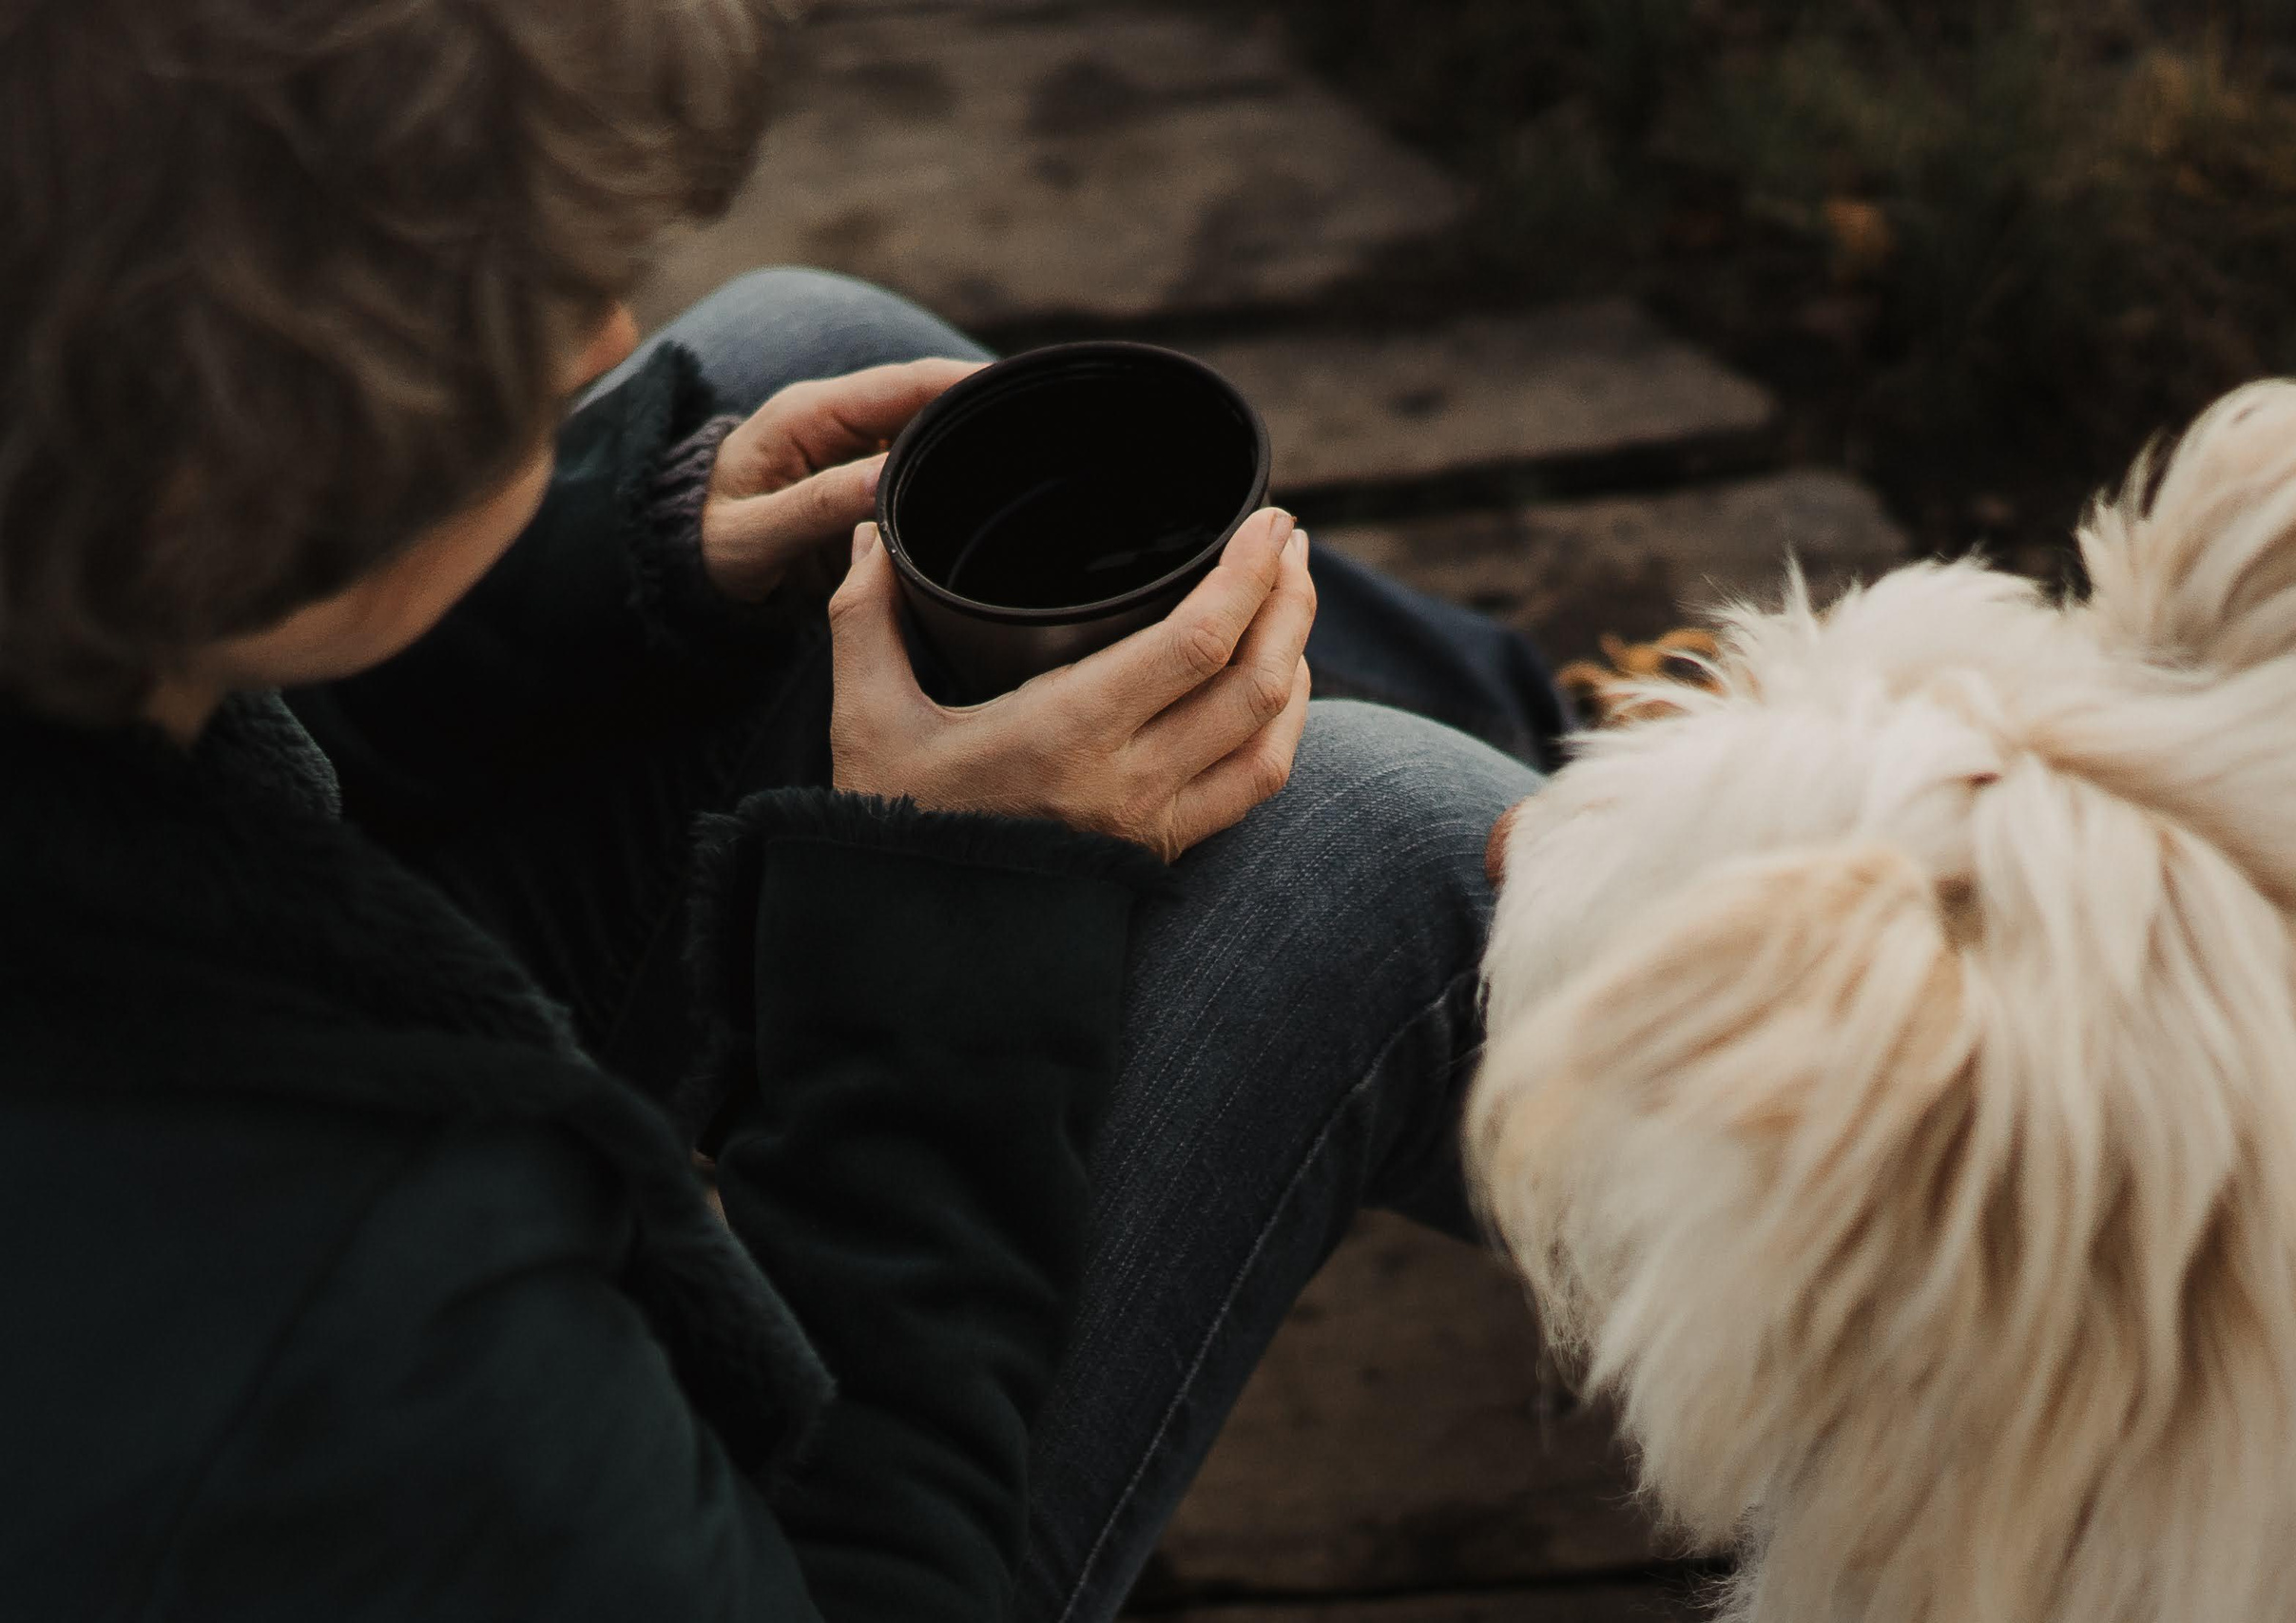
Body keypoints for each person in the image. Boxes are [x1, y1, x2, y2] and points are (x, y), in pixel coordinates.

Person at [0, 2, 1566, 1620]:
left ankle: (1619, 763)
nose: (606, 338)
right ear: (231, 477)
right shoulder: (363, 1290)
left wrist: (643, 556)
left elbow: (242, 728)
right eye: (503, 310)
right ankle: (1736, 1065)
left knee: (798, 348)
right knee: (1374, 849)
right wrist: (946, 930)